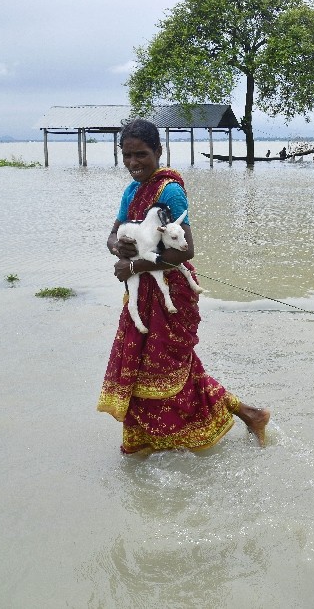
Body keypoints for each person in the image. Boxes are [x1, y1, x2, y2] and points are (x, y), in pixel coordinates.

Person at [97, 118, 270, 454]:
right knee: (144, 370)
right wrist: (120, 247)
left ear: (159, 151)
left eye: (142, 154)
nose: (134, 162)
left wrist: (133, 264)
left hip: (171, 292)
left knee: (167, 369)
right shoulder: (131, 191)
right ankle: (246, 415)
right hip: (139, 293)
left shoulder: (168, 191)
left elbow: (185, 250)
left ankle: (185, 437)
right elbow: (112, 234)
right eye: (127, 155)